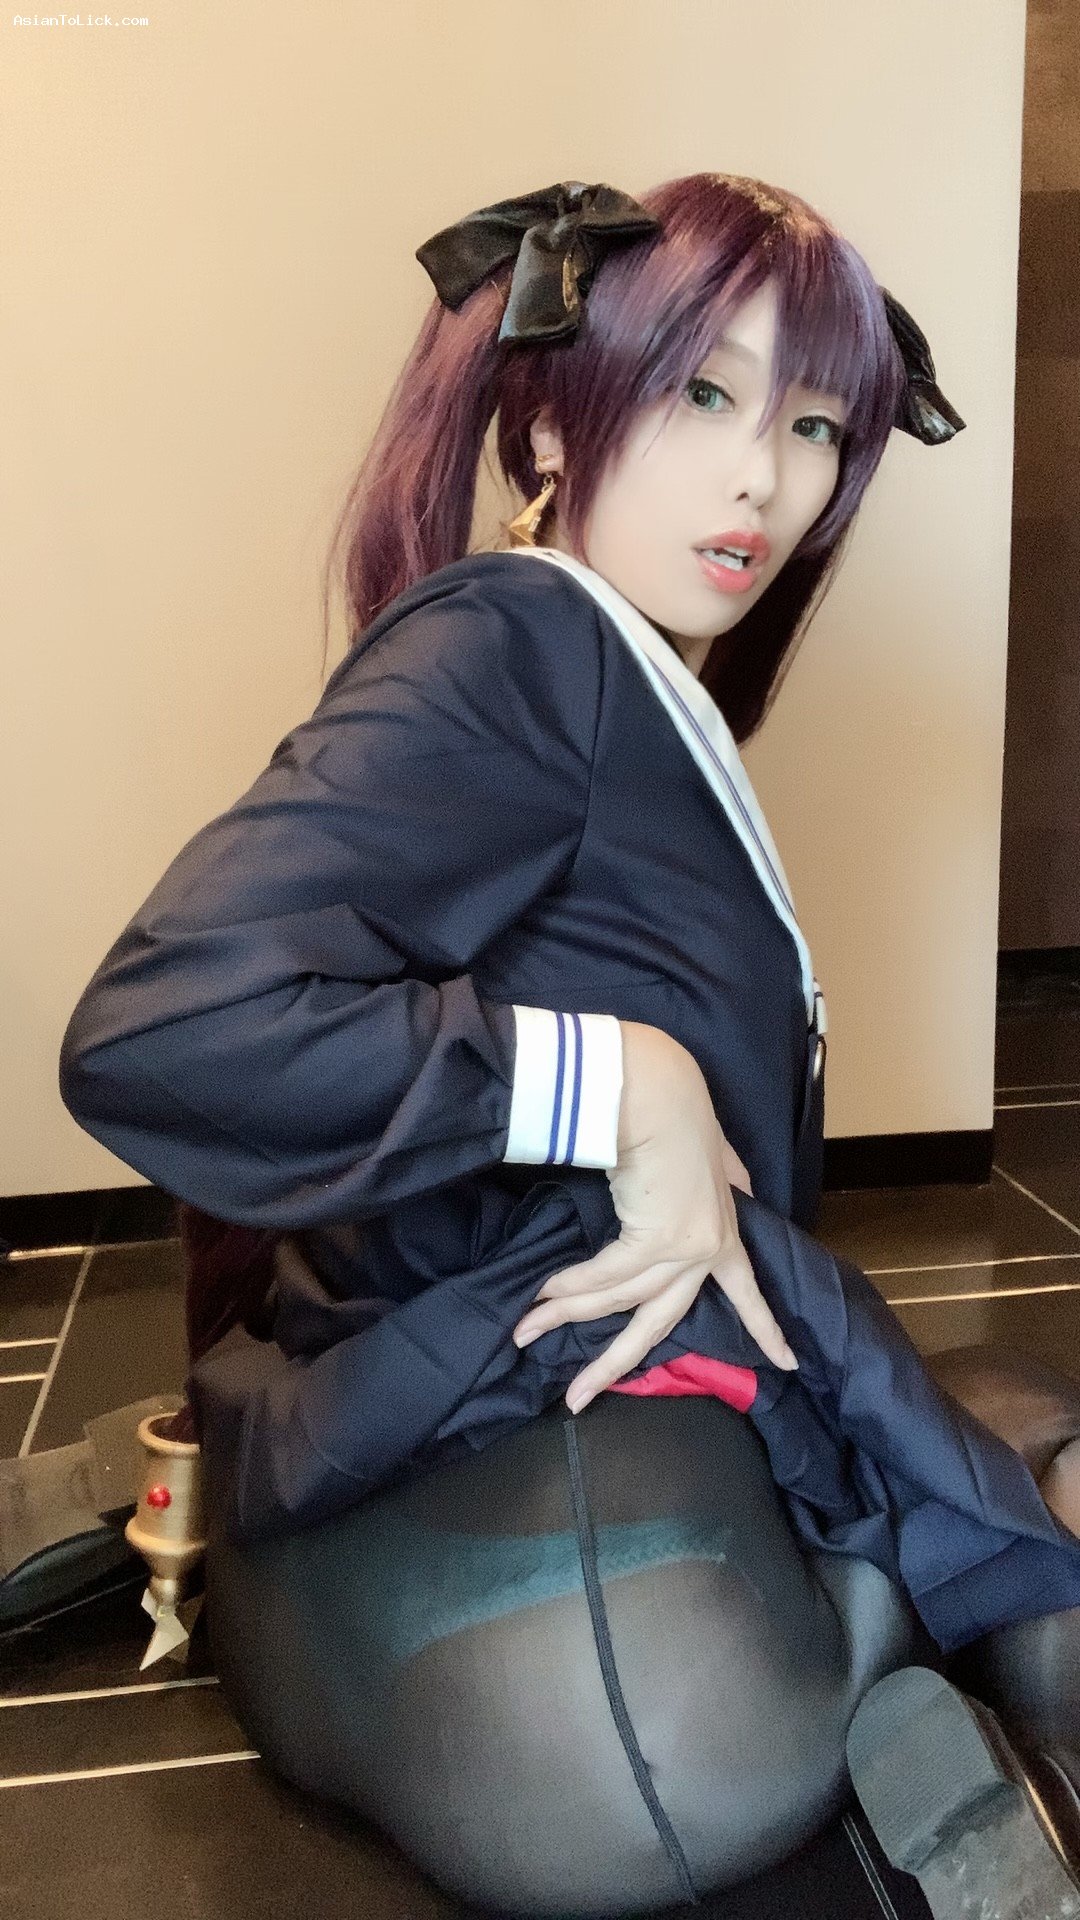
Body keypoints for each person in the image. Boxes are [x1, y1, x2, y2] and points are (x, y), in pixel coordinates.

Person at [57, 175, 1080, 1917]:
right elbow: (161, 1025)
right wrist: (617, 1081)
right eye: (703, 394)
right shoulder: (520, 642)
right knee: (1021, 1462)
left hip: (576, 1446)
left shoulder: (610, 668)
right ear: (547, 417)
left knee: (1008, 1434)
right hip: (586, 1568)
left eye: (814, 425)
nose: (763, 480)